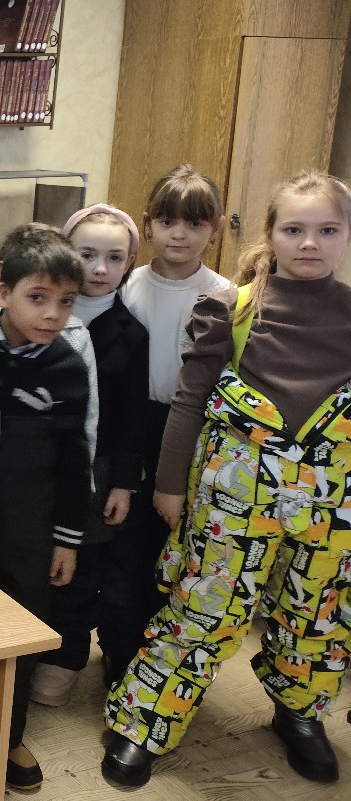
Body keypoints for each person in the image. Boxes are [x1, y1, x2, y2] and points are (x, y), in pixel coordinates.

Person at [103, 171, 351, 788]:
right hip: (234, 502)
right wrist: (169, 486)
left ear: (346, 236)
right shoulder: (230, 308)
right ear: (270, 233)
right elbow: (189, 402)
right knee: (203, 608)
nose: (310, 243)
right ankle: (144, 720)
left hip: (331, 508)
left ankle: (299, 712)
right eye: (294, 229)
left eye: (327, 230)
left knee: (315, 613)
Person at [0, 223, 92, 791]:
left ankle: (10, 734)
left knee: (21, 626)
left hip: (29, 522)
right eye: (37, 298)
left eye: (66, 302)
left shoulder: (67, 366)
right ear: (4, 292)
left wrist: (67, 538)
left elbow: (75, 458)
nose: (52, 314)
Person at [113, 165, 229, 681]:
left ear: (216, 229)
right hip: (130, 425)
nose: (179, 234)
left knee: (175, 547)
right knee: (126, 543)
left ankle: (161, 658)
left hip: (191, 431)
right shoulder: (127, 286)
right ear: (148, 224)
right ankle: (120, 651)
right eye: (167, 222)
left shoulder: (225, 295)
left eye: (195, 224)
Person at [29, 204, 148, 708]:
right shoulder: (38, 314)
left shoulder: (131, 333)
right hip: (35, 465)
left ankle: (67, 655)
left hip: (95, 472)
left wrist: (123, 482)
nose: (99, 269)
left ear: (129, 262)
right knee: (34, 559)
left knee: (80, 569)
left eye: (114, 258)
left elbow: (131, 419)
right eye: (87, 255)